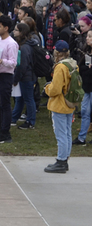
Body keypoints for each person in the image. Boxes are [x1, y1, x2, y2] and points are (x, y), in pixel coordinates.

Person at [44, 40, 75, 173]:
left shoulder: (60, 67)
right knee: (67, 133)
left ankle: (61, 161)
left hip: (60, 104)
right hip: (70, 102)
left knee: (60, 134)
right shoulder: (72, 64)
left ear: (56, 52)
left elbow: (55, 89)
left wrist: (46, 88)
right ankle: (64, 159)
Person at [0, 15, 18, 144]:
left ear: (6, 28)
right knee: (0, 104)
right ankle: (1, 129)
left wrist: (2, 61)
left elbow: (13, 62)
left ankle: (5, 132)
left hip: (6, 76)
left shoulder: (11, 44)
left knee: (5, 104)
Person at [12, 21, 38, 130]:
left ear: (22, 32)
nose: (14, 32)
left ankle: (30, 121)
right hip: (26, 76)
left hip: (26, 77)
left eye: (16, 30)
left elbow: (22, 65)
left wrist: (16, 78)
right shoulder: (25, 44)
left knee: (28, 99)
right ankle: (13, 118)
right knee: (20, 98)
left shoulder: (25, 47)